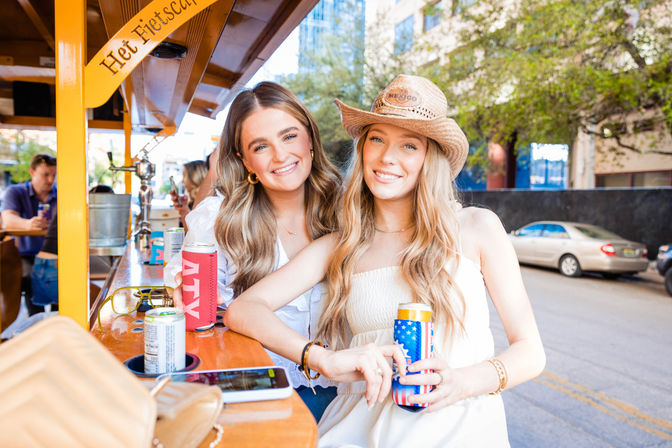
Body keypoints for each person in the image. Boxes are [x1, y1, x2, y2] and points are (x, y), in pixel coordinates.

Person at [224, 75, 546, 446]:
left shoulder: (476, 228)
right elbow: (244, 309)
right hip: (357, 434)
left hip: (462, 432)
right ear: (362, 149)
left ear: (430, 158)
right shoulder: (341, 246)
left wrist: (462, 383)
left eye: (409, 145)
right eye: (377, 139)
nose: (387, 157)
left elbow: (530, 351)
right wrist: (321, 360)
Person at [166, 81, 343, 421]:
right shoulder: (220, 218)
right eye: (261, 146)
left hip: (346, 395)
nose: (280, 156)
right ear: (244, 160)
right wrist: (178, 288)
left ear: (310, 138)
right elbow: (186, 282)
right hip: (256, 395)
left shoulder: (351, 208)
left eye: (289, 136)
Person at [1, 153, 57, 316]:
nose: (50, 180)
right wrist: (28, 223)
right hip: (25, 254)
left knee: (61, 280)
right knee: (29, 280)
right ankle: (35, 323)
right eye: (45, 174)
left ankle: (58, 320)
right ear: (32, 172)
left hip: (55, 255)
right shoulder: (15, 191)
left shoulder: (61, 195)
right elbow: (7, 219)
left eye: (53, 175)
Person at [169, 159, 208, 229]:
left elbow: (194, 233)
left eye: (184, 176)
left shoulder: (205, 204)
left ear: (194, 177)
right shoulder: (192, 202)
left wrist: (184, 211)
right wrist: (183, 209)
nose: (182, 181)